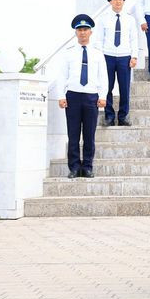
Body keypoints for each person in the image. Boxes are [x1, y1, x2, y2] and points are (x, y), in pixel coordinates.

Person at [55, 14, 108, 179]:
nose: (82, 33)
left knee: (89, 135)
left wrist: (103, 96)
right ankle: (74, 168)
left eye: (85, 29)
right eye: (79, 30)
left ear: (90, 32)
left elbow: (103, 76)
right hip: (73, 96)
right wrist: (61, 96)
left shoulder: (98, 53)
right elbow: (62, 76)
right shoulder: (68, 53)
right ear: (75, 32)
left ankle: (87, 167)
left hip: (91, 97)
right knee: (73, 134)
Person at [98, 0, 139, 126]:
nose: (118, 1)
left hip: (124, 57)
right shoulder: (103, 19)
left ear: (124, 1)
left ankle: (123, 116)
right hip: (107, 56)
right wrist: (100, 57)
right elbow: (99, 40)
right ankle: (109, 116)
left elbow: (134, 39)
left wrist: (134, 56)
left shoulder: (130, 19)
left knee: (124, 88)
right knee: (107, 87)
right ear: (110, 1)